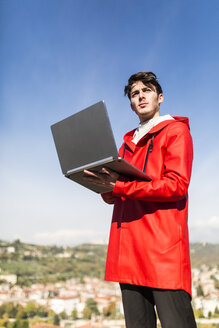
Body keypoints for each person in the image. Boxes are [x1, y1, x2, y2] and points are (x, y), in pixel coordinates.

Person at [84, 72, 197, 328]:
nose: (141, 96)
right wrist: (99, 182)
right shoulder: (124, 146)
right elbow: (115, 197)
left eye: (146, 90)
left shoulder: (176, 132)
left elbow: (176, 185)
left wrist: (121, 186)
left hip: (162, 253)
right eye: (135, 94)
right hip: (128, 252)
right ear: (131, 104)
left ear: (160, 97)